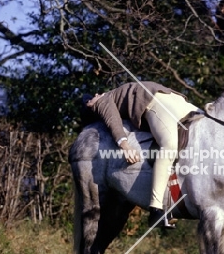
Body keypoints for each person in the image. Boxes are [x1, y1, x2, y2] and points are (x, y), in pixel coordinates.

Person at [84, 81, 199, 227]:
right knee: (178, 141)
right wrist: (125, 145)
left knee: (171, 145)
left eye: (91, 99)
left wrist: (125, 145)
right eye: (88, 102)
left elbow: (115, 120)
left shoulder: (106, 97)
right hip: (174, 101)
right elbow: (114, 120)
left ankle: (157, 208)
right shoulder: (103, 101)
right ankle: (157, 209)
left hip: (164, 101)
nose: (92, 98)